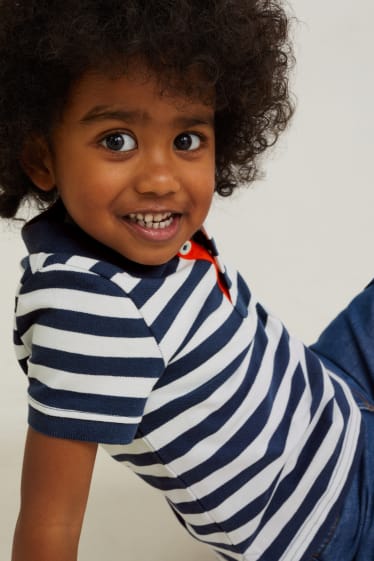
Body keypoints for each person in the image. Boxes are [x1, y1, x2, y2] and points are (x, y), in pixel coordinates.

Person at [0, 1, 372, 560]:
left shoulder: (133, 236)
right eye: (117, 140)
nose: (160, 178)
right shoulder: (86, 309)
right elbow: (49, 526)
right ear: (39, 157)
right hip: (333, 511)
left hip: (331, 395)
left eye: (187, 140)